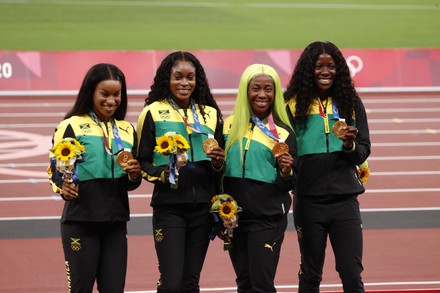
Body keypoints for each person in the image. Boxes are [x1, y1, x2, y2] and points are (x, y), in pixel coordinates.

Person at [284, 41, 371, 292]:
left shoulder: (350, 102)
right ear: (306, 70)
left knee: (352, 274)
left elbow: (364, 149)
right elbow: (283, 149)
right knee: (310, 274)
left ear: (339, 69)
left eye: (331, 66)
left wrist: (350, 146)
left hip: (345, 201)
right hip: (308, 201)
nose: (325, 71)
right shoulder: (290, 104)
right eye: (318, 66)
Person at [48, 63, 142, 292]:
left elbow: (132, 182)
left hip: (115, 223)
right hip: (81, 222)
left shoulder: (127, 129)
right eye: (105, 94)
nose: (111, 101)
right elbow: (56, 170)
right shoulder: (70, 125)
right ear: (90, 92)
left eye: (116, 94)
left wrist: (134, 175)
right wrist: (63, 187)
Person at [136, 51, 225, 293]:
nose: (184, 83)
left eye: (190, 77)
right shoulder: (153, 112)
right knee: (171, 281)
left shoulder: (211, 113)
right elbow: (142, 161)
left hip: (202, 210)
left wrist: (218, 163)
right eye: (178, 77)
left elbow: (220, 166)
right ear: (167, 78)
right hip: (170, 208)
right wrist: (163, 174)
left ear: (198, 80)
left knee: (190, 281)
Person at [222, 64, 297, 293]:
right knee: (244, 283)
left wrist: (286, 172)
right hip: (235, 219)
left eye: (268, 89)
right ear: (245, 90)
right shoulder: (227, 126)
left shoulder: (284, 133)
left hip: (267, 220)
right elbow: (218, 173)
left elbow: (291, 182)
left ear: (275, 94)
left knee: (261, 285)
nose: (262, 95)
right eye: (256, 88)